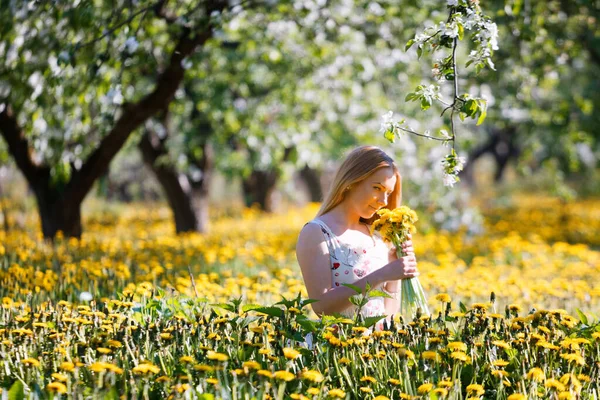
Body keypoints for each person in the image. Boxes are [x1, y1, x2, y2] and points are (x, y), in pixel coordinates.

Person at [296, 146, 419, 327]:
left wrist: (394, 273)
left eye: (388, 193)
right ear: (351, 181)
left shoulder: (376, 237)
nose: (384, 202)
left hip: (372, 351)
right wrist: (382, 274)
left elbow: (386, 315)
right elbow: (322, 306)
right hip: (336, 348)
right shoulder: (317, 233)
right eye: (377, 188)